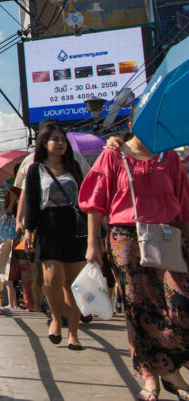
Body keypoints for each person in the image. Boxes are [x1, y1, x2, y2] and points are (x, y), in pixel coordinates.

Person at [80, 128, 189, 401]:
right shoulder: (113, 155)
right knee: (139, 306)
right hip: (125, 238)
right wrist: (93, 243)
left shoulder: (170, 157)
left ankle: (168, 367)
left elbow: (184, 203)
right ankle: (152, 376)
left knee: (180, 306)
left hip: (168, 236)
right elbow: (96, 204)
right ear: (135, 121)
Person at [20, 121, 87, 350]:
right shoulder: (35, 169)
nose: (60, 144)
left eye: (63, 140)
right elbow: (31, 202)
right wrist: (29, 229)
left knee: (73, 284)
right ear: (44, 143)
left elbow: (85, 200)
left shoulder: (74, 168)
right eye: (55, 139)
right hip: (49, 226)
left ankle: (74, 334)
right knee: (52, 279)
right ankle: (57, 318)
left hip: (74, 227)